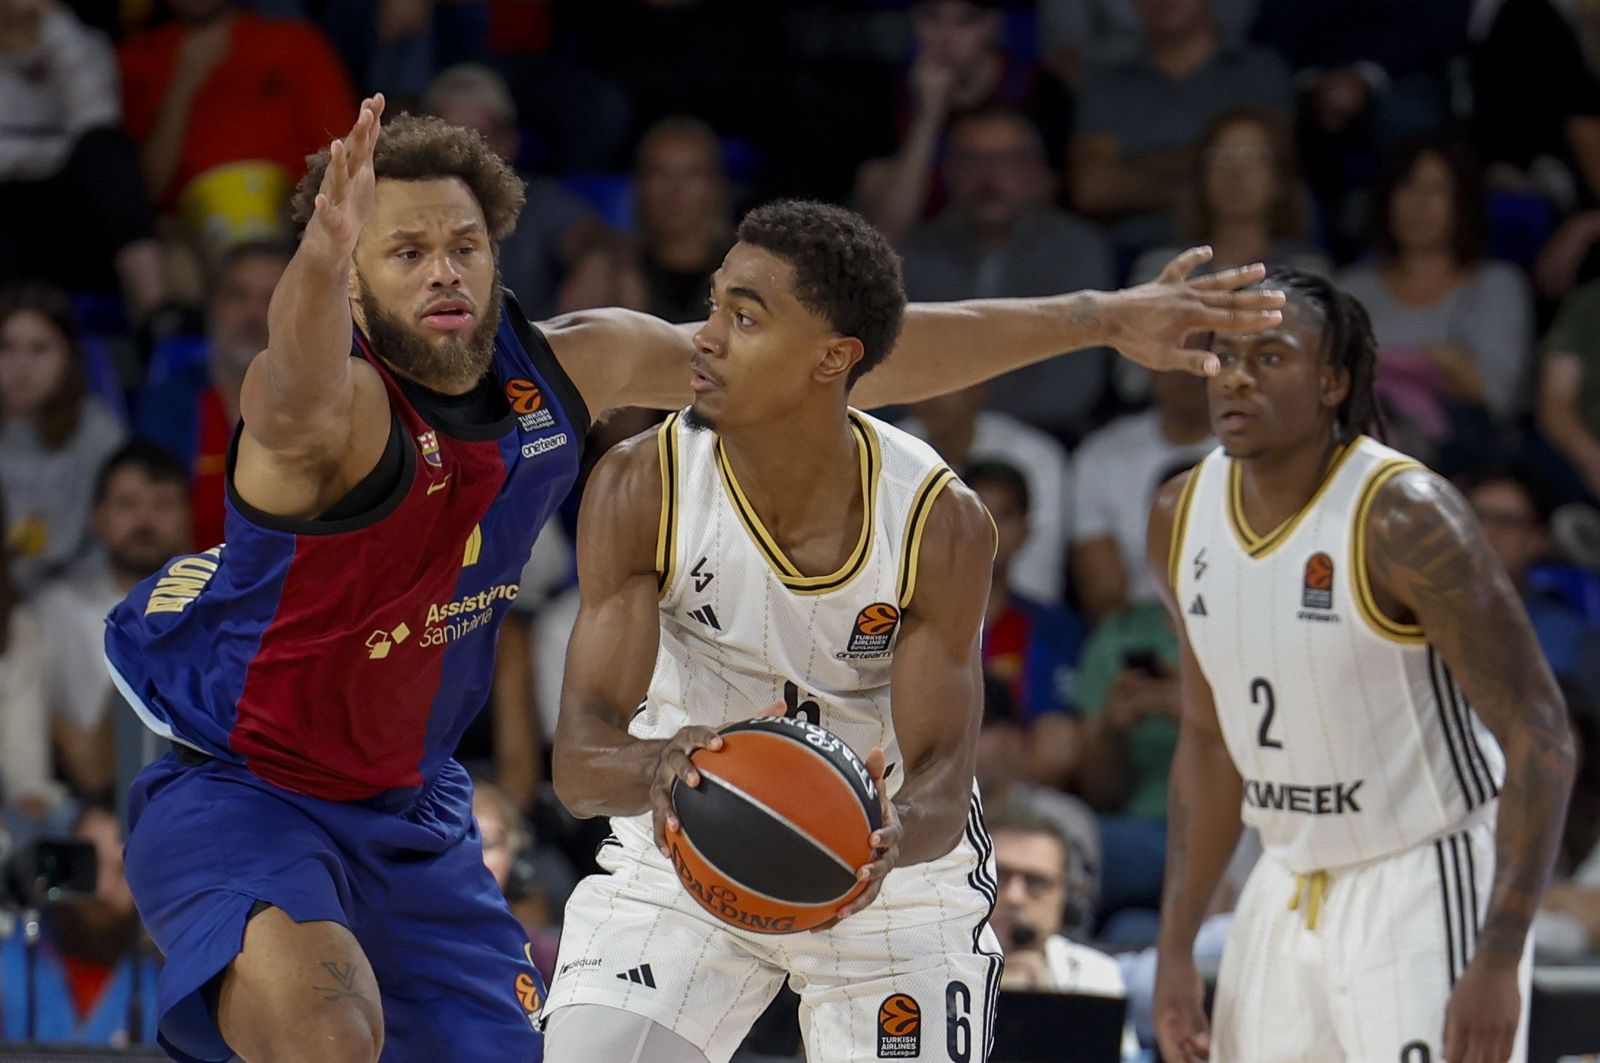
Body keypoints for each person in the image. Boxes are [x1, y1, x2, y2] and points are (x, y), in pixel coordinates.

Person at [101, 96, 1282, 1062]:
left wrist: (1097, 316)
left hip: (412, 808)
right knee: (327, 1030)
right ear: (353, 281)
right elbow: (294, 378)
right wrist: (316, 252)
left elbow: (847, 356)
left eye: (464, 244)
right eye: (403, 252)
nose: (444, 272)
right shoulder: (330, 410)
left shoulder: (568, 367)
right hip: (243, 787)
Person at [544, 197, 1009, 1063]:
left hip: (888, 880)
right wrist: (664, 763)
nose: (705, 338)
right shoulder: (639, 485)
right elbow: (577, 766)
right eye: (714, 304)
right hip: (682, 851)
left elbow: (946, 777)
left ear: (833, 358)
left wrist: (890, 831)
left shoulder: (938, 520)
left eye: (745, 318)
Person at [1151, 268, 1575, 1063]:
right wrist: (1177, 947)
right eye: (1224, 355)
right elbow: (1208, 740)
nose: (1236, 375)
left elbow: (1540, 729)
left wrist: (1498, 954)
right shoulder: (1178, 516)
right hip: (1284, 881)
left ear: (1331, 381)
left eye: (1270, 357)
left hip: (1420, 874)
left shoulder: (1403, 516)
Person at [899, 106, 1116, 440]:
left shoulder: (1077, 249)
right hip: (922, 439)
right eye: (972, 160)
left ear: (1037, 172)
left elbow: (1073, 389)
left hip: (1051, 441)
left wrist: (962, 406)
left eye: (1008, 161)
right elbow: (885, 376)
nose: (989, 177)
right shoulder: (912, 254)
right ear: (948, 172)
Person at [1340, 135, 1533, 462]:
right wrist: (1441, 360)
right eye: (1407, 187)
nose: (1419, 203)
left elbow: (1496, 395)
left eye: (1436, 189)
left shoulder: (1497, 285)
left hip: (1466, 461)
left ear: (1464, 202)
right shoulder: (1351, 287)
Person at [1068, 0, 1292, 248]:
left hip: (1253, 251)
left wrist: (1141, 168)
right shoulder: (1107, 79)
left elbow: (1278, 169)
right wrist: (1210, 170)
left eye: (1216, 158)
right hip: (1133, 256)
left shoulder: (1260, 71)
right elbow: (1093, 188)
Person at [36, 443, 191, 803]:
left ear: (188, 516)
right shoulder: (55, 608)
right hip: (82, 797)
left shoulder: (218, 607)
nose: (145, 520)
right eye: (127, 503)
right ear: (96, 518)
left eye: (163, 504)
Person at [0, 0, 167, 322]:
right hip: (6, 209)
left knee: (107, 148)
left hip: (74, 214)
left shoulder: (81, 42)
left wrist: (56, 29)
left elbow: (97, 120)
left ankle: (159, 318)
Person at [136, 242, 289, 551]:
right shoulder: (169, 402)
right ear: (211, 305)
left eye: (271, 298)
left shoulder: (326, 406)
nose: (253, 314)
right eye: (238, 295)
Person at [0, 282, 128, 593]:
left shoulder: (101, 434)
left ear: (69, 357)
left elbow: (112, 540)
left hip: (80, 599)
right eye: (6, 347)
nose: (21, 365)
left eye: (39, 348)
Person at [0, 806, 161, 1046]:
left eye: (123, 871)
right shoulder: (8, 959)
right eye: (90, 864)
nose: (103, 888)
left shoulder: (165, 990)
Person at [900, 383, 1073, 604]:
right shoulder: (882, 450)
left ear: (979, 388)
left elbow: (1038, 573)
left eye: (945, 382)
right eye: (920, 381)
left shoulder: (1036, 456)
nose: (931, 395)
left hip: (1015, 618)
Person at [987, 805, 1136, 1057]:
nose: (1014, 896)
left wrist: (1049, 1007)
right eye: (998, 875)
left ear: (1067, 900)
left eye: (1035, 882)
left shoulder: (1096, 973)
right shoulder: (926, 965)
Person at [1127, 107, 1330, 286]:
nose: (1235, 173)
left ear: (1279, 177)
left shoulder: (1304, 272)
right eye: (1220, 158)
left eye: (1252, 157)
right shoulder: (1164, 269)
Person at [1071, 370, 1213, 625]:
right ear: (1147, 369)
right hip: (1137, 629)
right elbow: (1103, 593)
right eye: (1176, 359)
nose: (1189, 375)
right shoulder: (1103, 452)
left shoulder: (1262, 451)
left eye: (1202, 360)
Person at [633, 116, 737, 325]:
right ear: (641, 186)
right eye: (660, 173)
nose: (675, 191)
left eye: (693, 174)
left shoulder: (746, 275)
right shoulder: (620, 277)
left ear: (717, 186)